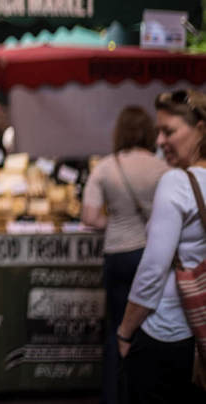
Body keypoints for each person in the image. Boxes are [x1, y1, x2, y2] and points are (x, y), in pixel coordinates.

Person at [117, 89, 206, 403]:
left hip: (169, 331)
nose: (159, 141)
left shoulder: (178, 182)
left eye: (169, 131)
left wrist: (125, 331)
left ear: (201, 129)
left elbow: (154, 268)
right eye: (158, 131)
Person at [81, 105, 168, 404]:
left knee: (117, 329)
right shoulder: (163, 169)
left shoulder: (105, 167)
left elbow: (89, 217)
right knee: (149, 330)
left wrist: (116, 221)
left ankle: (113, 396)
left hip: (117, 252)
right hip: (151, 253)